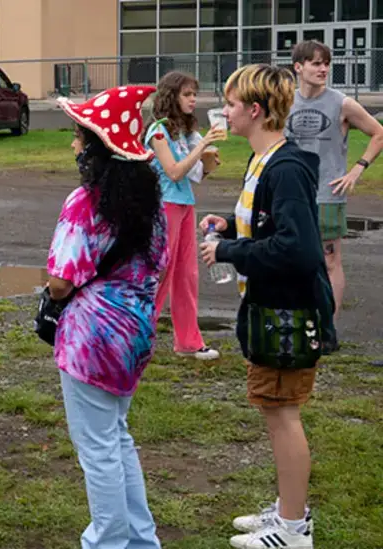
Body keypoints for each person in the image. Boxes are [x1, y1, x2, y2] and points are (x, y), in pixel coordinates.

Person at [200, 63, 335, 549]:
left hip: (288, 316)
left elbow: (298, 249)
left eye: (232, 104)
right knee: (276, 412)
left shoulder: (286, 168)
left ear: (255, 110)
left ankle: (294, 529)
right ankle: (286, 510)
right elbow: (270, 228)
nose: (226, 112)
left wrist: (231, 251)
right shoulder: (264, 162)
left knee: (283, 415)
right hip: (268, 310)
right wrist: (232, 229)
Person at [51, 85, 168, 549]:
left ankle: (108, 542)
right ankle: (141, 539)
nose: (74, 145)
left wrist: (51, 291)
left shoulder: (84, 204)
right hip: (134, 334)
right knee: (117, 437)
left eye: (80, 137)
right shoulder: (152, 205)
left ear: (98, 146)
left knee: (97, 450)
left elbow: (61, 280)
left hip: (91, 339)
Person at [286, 40, 383, 324]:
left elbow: (378, 133)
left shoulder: (342, 103)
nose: (323, 69)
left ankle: (328, 325)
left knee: (329, 260)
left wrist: (357, 170)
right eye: (316, 63)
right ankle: (297, 320)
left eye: (326, 63)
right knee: (292, 258)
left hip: (327, 194)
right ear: (298, 67)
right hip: (292, 193)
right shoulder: (285, 101)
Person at [144, 71, 226, 361]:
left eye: (195, 94)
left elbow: (197, 174)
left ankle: (189, 342)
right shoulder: (157, 131)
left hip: (184, 204)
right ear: (172, 97)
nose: (194, 99)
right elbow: (174, 171)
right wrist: (202, 147)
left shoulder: (185, 132)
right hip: (163, 206)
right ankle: (140, 337)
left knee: (187, 275)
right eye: (187, 94)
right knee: (160, 274)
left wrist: (208, 160)